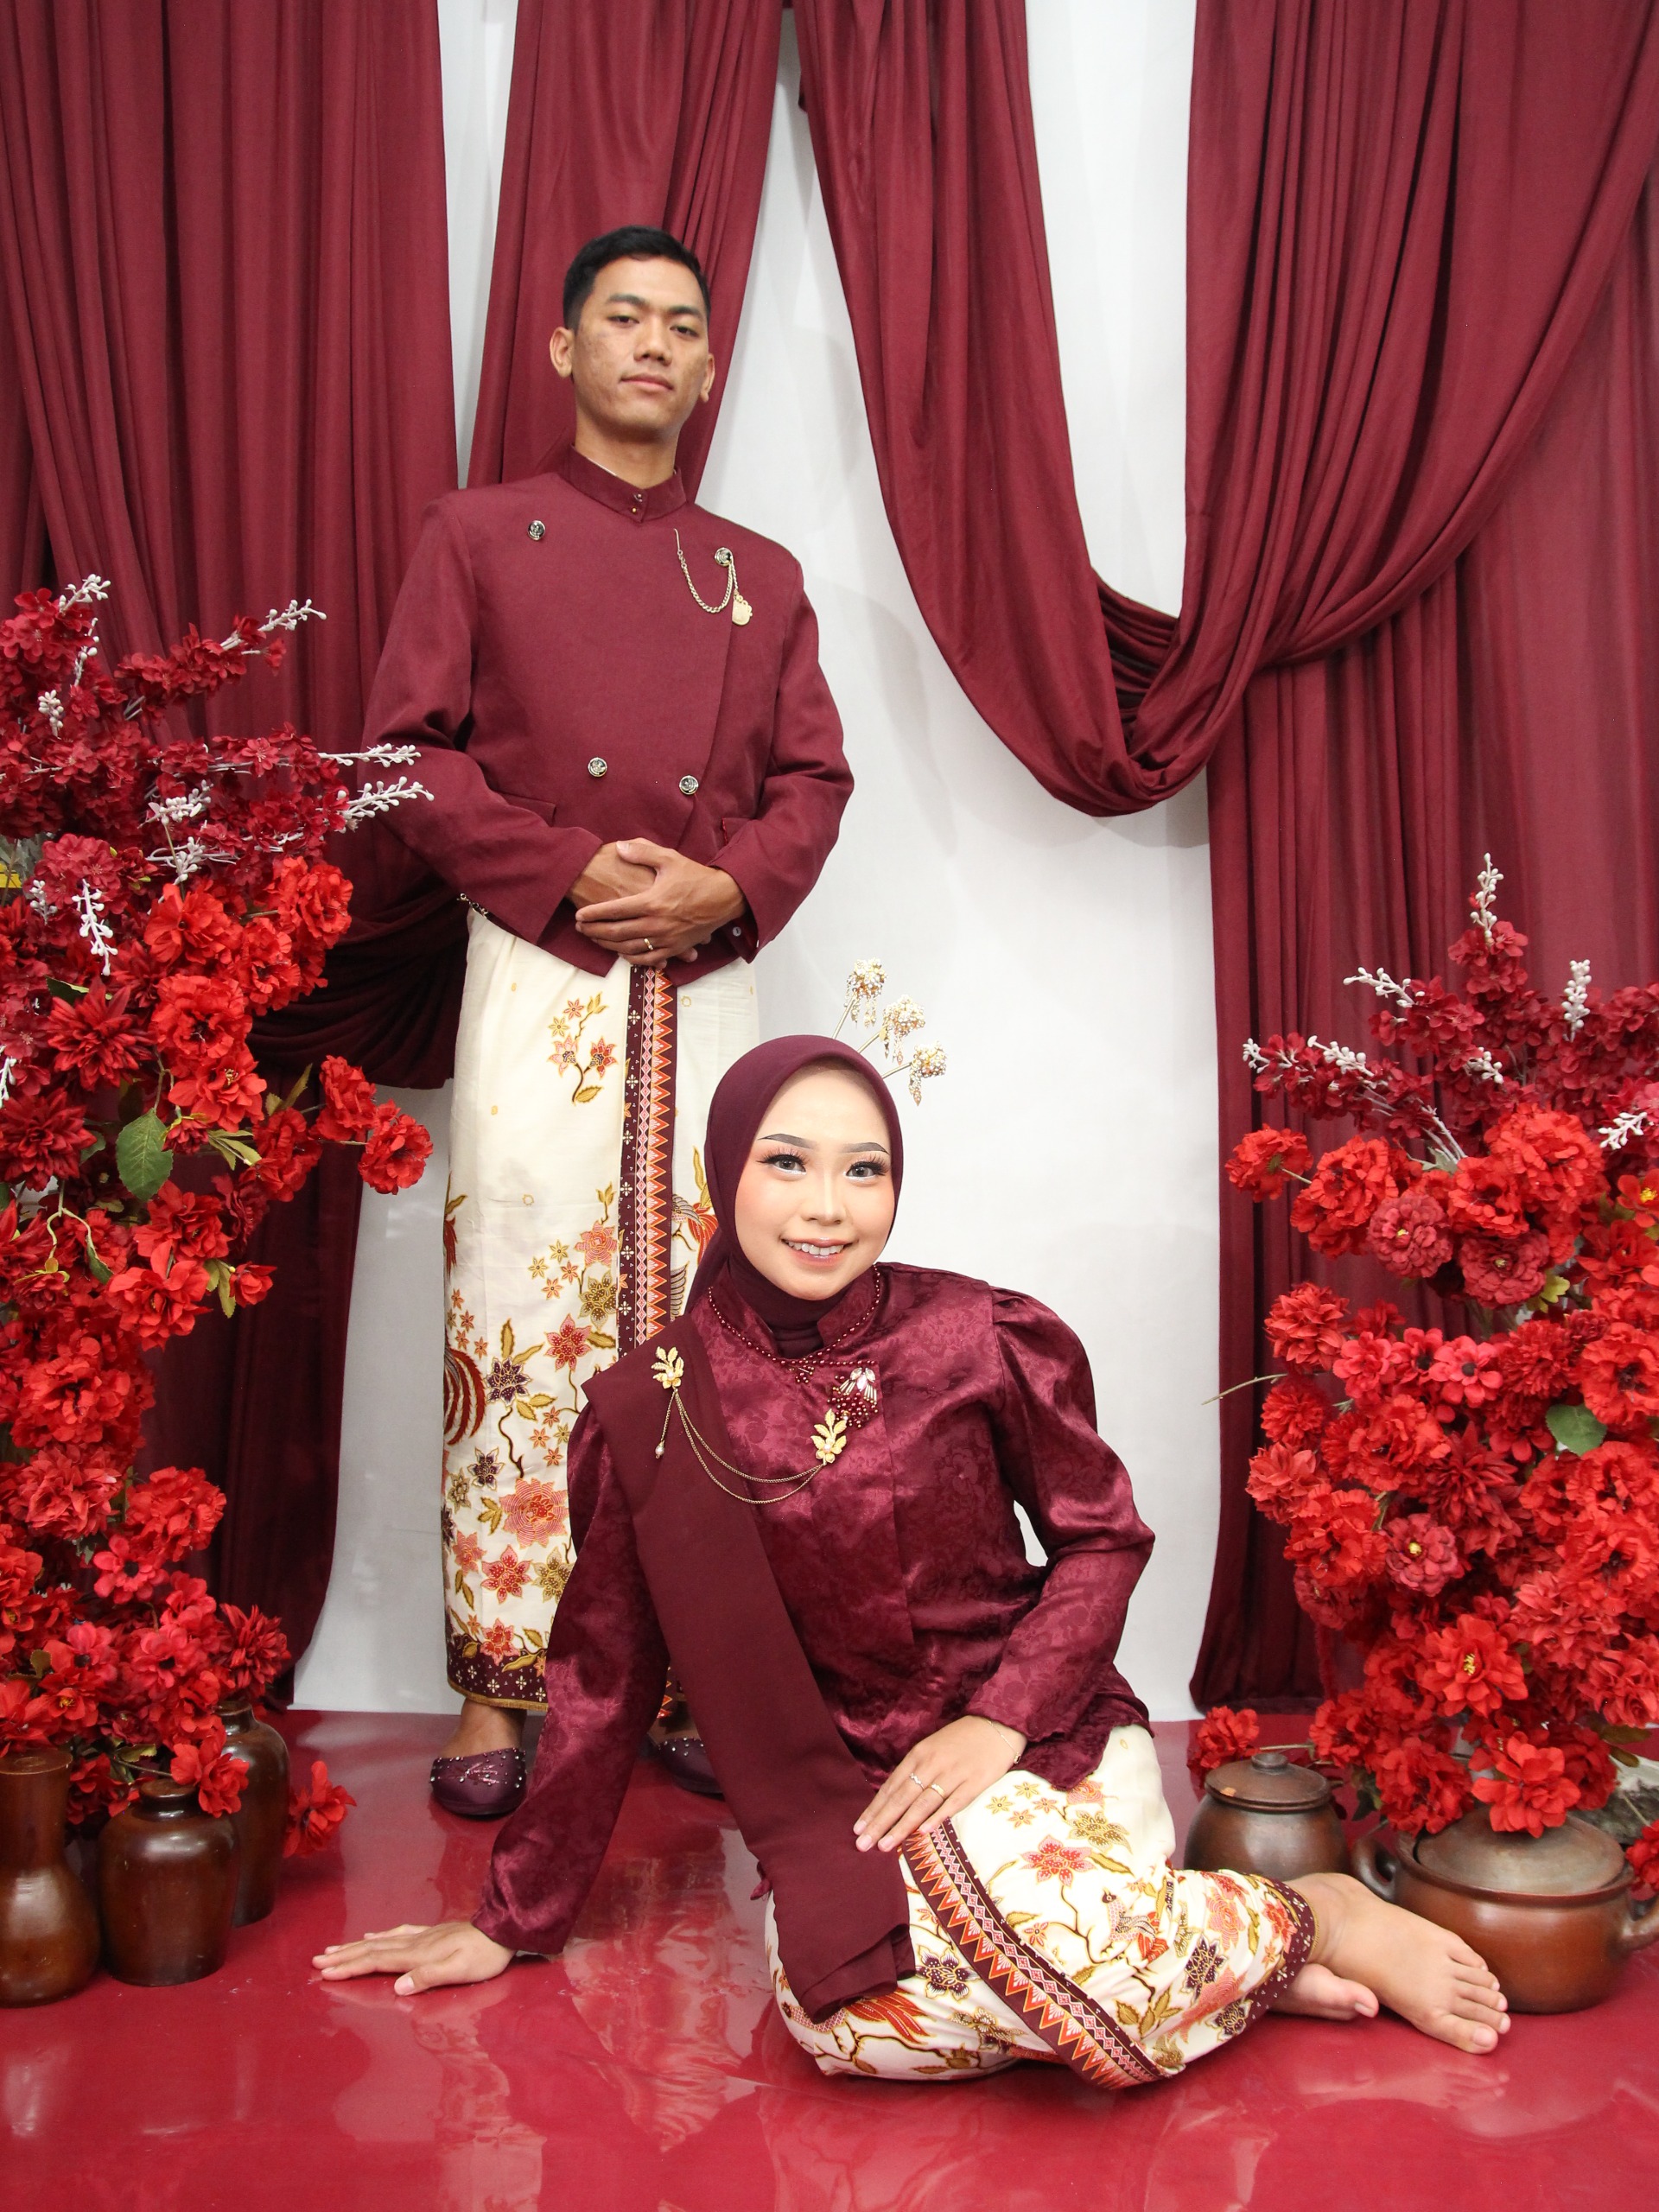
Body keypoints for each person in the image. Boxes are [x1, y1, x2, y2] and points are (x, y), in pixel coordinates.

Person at [317, 1039, 1512, 2082]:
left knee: (1065, 1957)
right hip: (851, 1796)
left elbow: (1102, 1539)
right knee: (851, 2033)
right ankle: (1202, 1964)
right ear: (723, 1174)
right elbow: (603, 1672)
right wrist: (512, 1918)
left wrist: (999, 1721)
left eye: (864, 1169)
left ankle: (1310, 1917)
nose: (827, 1206)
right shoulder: (654, 1409)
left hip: (1041, 1738)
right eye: (787, 1162)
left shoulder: (977, 1334)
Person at [362, 227, 852, 1814]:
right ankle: (501, 1685)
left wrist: (726, 888)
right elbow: (409, 753)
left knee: (718, 1316)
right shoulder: (477, 535)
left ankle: (696, 1670)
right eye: (623, 317)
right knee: (520, 1304)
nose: (654, 343)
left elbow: (814, 780)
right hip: (540, 966)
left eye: (682, 325)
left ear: (708, 367)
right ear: (567, 350)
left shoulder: (761, 573)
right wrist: (568, 870)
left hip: (709, 980)